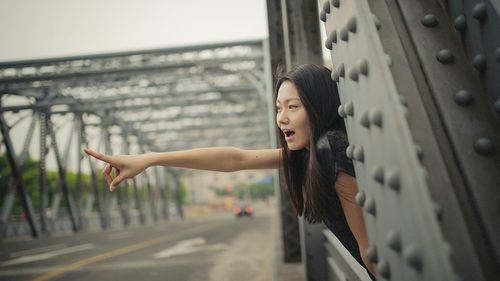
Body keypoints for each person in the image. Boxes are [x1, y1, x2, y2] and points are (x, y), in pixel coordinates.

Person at [84, 64, 376, 278]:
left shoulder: (331, 150)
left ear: (318, 106)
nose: (282, 118)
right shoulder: (312, 154)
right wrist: (149, 159)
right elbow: (235, 160)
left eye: (293, 107)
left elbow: (370, 252)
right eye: (278, 108)